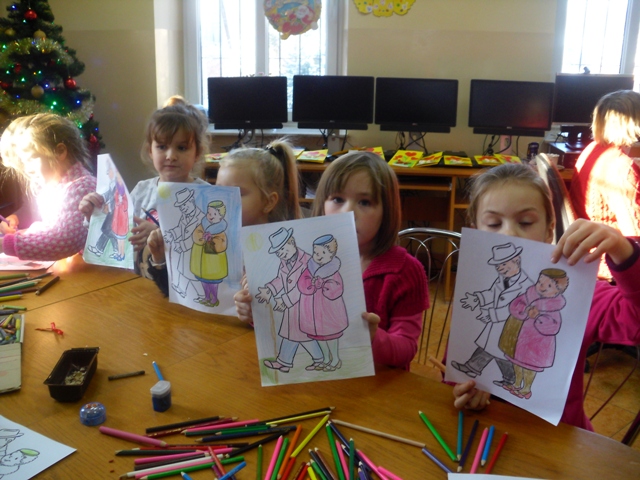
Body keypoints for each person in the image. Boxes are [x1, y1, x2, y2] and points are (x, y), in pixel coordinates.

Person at [452, 163, 640, 431]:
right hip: (486, 427)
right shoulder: (478, 285)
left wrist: (624, 252)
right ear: (475, 230)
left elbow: (635, 322)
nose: (509, 233)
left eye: (525, 222)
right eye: (494, 224)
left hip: (558, 436)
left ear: (550, 229)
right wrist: (463, 391)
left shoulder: (579, 292)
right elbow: (456, 371)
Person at [311, 151, 429, 370]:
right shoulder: (308, 259)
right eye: (337, 199)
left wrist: (374, 337)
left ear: (386, 212)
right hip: (318, 374)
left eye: (364, 202)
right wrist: (257, 311)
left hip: (377, 382)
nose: (348, 212)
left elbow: (406, 348)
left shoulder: (405, 271)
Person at [147, 140, 301, 297]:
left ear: (268, 202)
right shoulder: (206, 233)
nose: (224, 200)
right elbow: (179, 293)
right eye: (220, 191)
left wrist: (256, 303)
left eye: (236, 192)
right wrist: (159, 259)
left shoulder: (281, 251)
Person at [79, 100, 209, 272]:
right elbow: (120, 231)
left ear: (197, 153)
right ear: (150, 151)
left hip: (182, 283)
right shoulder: (142, 190)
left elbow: (207, 246)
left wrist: (160, 234)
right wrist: (93, 215)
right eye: (162, 147)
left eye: (182, 148)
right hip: (140, 280)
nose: (171, 156)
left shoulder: (206, 195)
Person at [0, 113, 96, 260]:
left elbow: (64, 240)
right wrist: (27, 234)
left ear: (60, 152)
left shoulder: (82, 188)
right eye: (22, 163)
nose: (26, 169)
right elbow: (54, 227)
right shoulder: (57, 188)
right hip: (75, 267)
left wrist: (6, 244)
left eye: (31, 159)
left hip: (96, 271)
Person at [568, 89, 640, 279]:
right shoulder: (622, 168)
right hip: (610, 259)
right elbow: (635, 235)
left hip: (591, 249)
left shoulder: (593, 149)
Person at [450, 242, 532, 388]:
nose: (500, 268)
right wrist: (478, 298)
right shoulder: (502, 279)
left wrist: (492, 315)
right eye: (497, 265)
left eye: (504, 264)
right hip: (496, 324)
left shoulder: (527, 286)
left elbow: (518, 309)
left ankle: (510, 378)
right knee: (488, 347)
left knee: (502, 353)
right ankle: (472, 368)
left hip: (511, 326)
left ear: (516, 260)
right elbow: (492, 292)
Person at [499, 268, 569, 399]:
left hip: (536, 345)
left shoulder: (553, 307)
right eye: (540, 282)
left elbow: (553, 327)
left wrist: (538, 317)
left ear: (558, 290)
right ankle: (517, 383)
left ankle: (526, 389)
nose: (542, 287)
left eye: (549, 286)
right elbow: (515, 305)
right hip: (519, 339)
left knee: (529, 367)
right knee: (516, 363)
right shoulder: (528, 295)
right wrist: (525, 310)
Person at [298, 234, 349, 371]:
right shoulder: (309, 268)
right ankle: (326, 358)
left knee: (331, 336)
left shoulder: (333, 270)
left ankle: (335, 359)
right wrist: (311, 284)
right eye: (316, 252)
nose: (318, 256)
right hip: (312, 312)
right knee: (318, 337)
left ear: (332, 254)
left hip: (328, 312)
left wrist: (323, 284)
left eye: (323, 253)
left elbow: (337, 289)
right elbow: (302, 284)